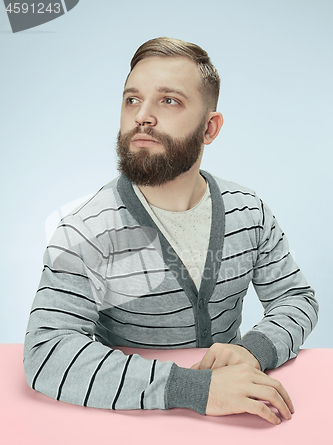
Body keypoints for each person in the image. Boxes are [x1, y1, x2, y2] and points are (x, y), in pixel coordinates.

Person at [23, 37, 318, 425]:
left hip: (239, 421)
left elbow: (295, 297)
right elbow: (47, 351)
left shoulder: (249, 211)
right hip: (131, 429)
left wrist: (254, 350)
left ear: (209, 128)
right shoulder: (86, 230)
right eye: (132, 100)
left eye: (169, 101)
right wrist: (192, 388)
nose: (142, 115)